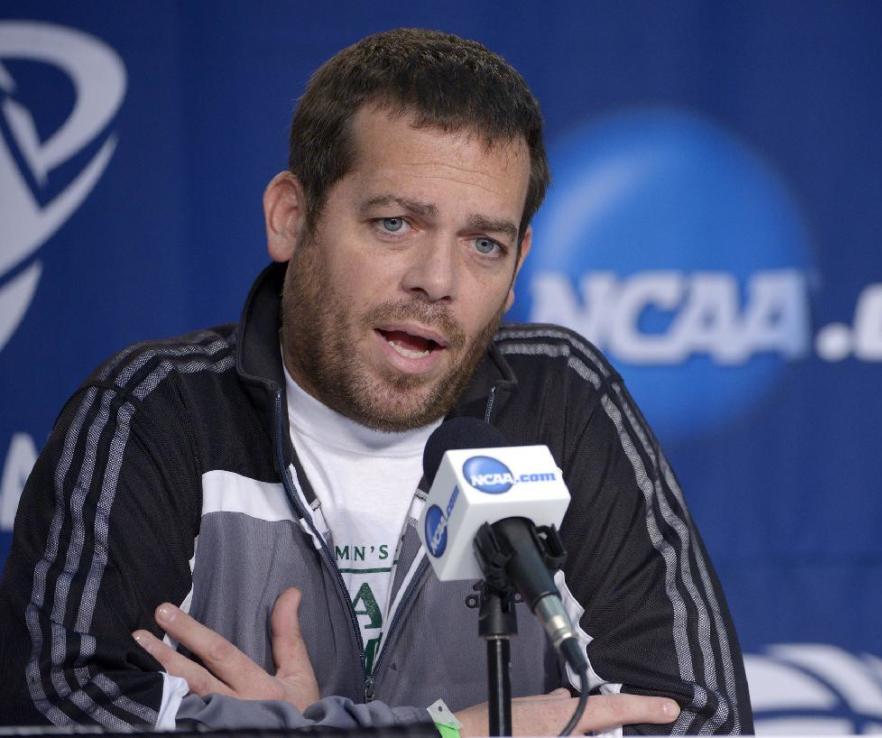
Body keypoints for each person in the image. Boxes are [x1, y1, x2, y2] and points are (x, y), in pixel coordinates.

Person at [0, 28, 753, 735]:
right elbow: (54, 710)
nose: (438, 281)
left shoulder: (562, 400)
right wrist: (454, 731)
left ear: (519, 265)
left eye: (483, 243)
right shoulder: (154, 411)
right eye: (395, 224)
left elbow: (695, 719)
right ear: (292, 218)